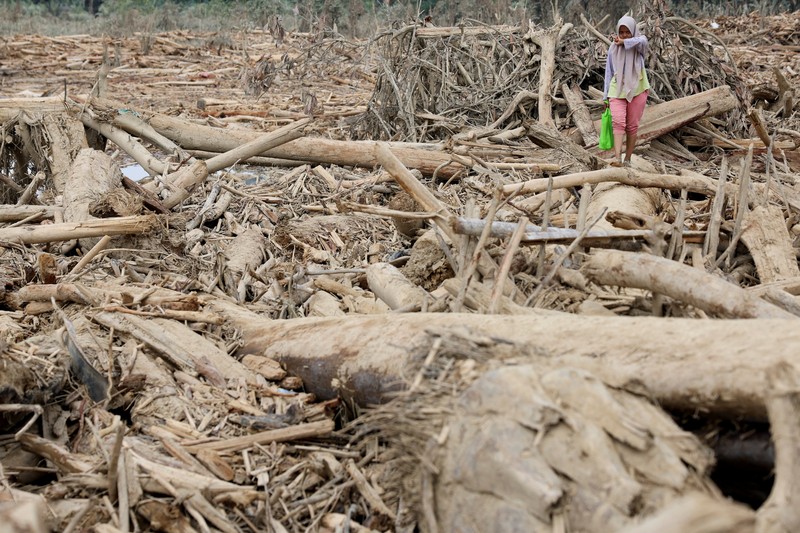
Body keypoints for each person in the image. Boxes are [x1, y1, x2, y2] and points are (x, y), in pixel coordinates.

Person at [603, 15, 650, 167]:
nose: (623, 35)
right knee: (617, 122)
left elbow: (643, 40)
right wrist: (605, 97)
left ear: (632, 32)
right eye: (621, 32)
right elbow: (609, 72)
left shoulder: (639, 46)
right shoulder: (613, 48)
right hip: (617, 89)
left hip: (638, 87)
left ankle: (628, 159)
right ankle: (617, 158)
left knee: (632, 126)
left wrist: (626, 42)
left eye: (627, 32)